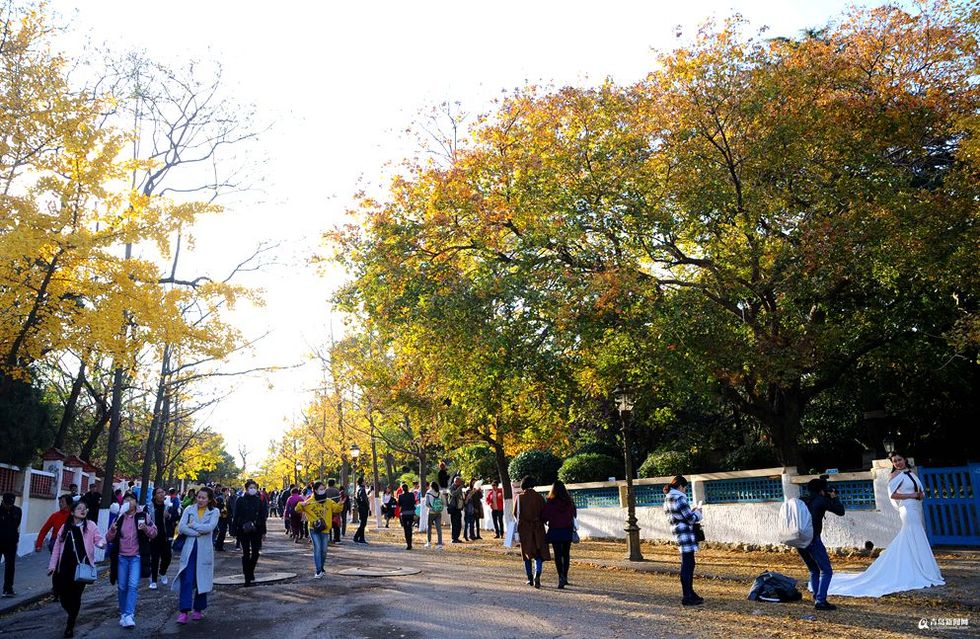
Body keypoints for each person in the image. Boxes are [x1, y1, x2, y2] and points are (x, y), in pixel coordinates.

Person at [827, 452, 944, 597]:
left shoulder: (911, 474)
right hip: (906, 508)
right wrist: (911, 496)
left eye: (899, 460)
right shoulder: (894, 476)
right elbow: (893, 495)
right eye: (895, 461)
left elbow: (919, 491)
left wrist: (919, 495)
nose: (898, 463)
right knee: (911, 532)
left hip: (915, 506)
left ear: (905, 460)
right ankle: (912, 567)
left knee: (915, 534)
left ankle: (919, 565)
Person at [48, 500, 106, 638]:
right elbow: (57, 547)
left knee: (76, 596)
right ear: (73, 512)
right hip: (65, 568)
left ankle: (70, 624)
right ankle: (71, 612)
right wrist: (52, 565)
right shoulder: (65, 527)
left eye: (85, 508)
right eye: (80, 508)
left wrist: (101, 543)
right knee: (62, 596)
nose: (83, 510)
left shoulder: (90, 526)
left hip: (82, 568)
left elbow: (98, 539)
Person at [106, 492, 157, 628]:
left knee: (133, 585)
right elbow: (109, 538)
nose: (128, 502)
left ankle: (129, 614)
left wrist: (145, 528)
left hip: (136, 557)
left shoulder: (143, 516)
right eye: (126, 499)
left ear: (136, 502)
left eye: (131, 499)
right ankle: (123, 613)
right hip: (121, 557)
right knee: (122, 586)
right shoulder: (119, 517)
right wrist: (112, 530)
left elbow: (154, 532)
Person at [796, 477, 845, 610]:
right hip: (813, 539)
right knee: (826, 570)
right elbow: (841, 511)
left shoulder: (801, 500)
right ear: (822, 490)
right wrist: (834, 497)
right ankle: (821, 600)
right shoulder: (821, 500)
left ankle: (816, 596)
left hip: (799, 541)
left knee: (813, 569)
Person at [173, 487, 219, 623]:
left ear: (209, 499)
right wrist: (197, 532)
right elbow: (182, 527)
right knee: (187, 580)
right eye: (199, 497)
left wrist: (193, 525)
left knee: (201, 580)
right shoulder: (189, 509)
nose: (200, 500)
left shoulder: (214, 511)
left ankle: (198, 609)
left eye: (204, 498)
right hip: (190, 549)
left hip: (204, 550)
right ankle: (183, 611)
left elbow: (210, 527)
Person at [664, 475, 703, 606]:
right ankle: (687, 595)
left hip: (678, 532)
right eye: (685, 488)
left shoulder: (668, 498)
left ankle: (690, 593)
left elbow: (679, 516)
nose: (685, 490)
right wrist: (698, 513)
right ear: (680, 486)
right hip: (685, 534)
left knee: (688, 563)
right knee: (688, 564)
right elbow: (691, 519)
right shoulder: (679, 498)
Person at [296, 482, 343, 578]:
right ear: (315, 490)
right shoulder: (310, 501)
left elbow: (337, 509)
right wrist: (302, 504)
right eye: (321, 489)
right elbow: (297, 509)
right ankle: (318, 570)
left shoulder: (329, 501)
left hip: (325, 529)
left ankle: (321, 567)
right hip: (314, 529)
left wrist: (341, 504)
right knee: (317, 548)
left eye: (324, 489)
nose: (323, 490)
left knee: (324, 550)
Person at [514, 476, 549, 588]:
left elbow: (515, 514)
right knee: (538, 554)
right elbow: (545, 514)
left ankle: (530, 578)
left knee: (526, 553)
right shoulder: (540, 497)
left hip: (525, 529)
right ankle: (537, 573)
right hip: (538, 528)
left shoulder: (520, 498)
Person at [542, 480, 577, 589]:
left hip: (555, 531)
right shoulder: (569, 501)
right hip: (567, 530)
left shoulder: (550, 502)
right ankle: (565, 576)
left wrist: (546, 521)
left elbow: (545, 516)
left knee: (558, 555)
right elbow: (574, 514)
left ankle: (560, 577)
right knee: (566, 554)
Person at [233, 480, 267, 586]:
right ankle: (247, 577)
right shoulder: (240, 500)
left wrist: (263, 532)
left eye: (254, 487)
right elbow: (236, 515)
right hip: (243, 530)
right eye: (250, 487)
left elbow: (262, 516)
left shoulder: (258, 500)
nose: (253, 489)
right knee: (246, 553)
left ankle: (251, 570)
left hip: (256, 529)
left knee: (256, 553)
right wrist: (234, 530)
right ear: (246, 488)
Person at [148, 487, 176, 590]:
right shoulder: (149, 506)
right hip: (153, 537)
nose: (161, 494)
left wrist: (168, 516)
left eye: (162, 492)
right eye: (158, 493)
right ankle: (154, 580)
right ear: (154, 495)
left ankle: (163, 572)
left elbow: (176, 517)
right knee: (154, 559)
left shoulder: (168, 506)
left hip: (166, 536)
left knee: (167, 557)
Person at [0, 493, 22, 598]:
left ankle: (8, 589)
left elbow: (17, 524)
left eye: (11, 504)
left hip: (11, 543)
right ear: (3, 501)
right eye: (7, 503)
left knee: (10, 567)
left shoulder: (17, 511)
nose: (9, 506)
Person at [423, 481, 444, 548]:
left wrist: (432, 507)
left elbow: (426, 504)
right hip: (438, 512)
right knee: (439, 528)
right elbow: (443, 502)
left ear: (431, 486)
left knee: (429, 527)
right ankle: (440, 544)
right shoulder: (439, 493)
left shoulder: (428, 493)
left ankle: (428, 543)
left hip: (431, 512)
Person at [396, 483, 417, 550]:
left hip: (404, 513)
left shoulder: (400, 496)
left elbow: (399, 504)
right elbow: (414, 502)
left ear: (402, 489)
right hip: (411, 513)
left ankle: (408, 544)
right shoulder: (411, 494)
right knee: (410, 528)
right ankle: (410, 543)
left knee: (405, 528)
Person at [352, 478, 370, 544]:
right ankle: (356, 536)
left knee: (362, 523)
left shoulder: (358, 488)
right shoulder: (362, 489)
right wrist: (367, 505)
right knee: (363, 523)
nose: (365, 482)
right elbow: (363, 499)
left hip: (361, 507)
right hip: (363, 508)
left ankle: (361, 538)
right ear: (362, 482)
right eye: (364, 481)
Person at [447, 477, 465, 543]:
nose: (460, 483)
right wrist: (459, 488)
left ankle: (457, 537)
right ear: (455, 481)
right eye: (459, 482)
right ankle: (453, 538)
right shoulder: (450, 488)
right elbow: (453, 494)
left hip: (458, 509)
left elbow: (461, 497)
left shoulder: (460, 489)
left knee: (459, 524)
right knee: (454, 524)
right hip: (453, 508)